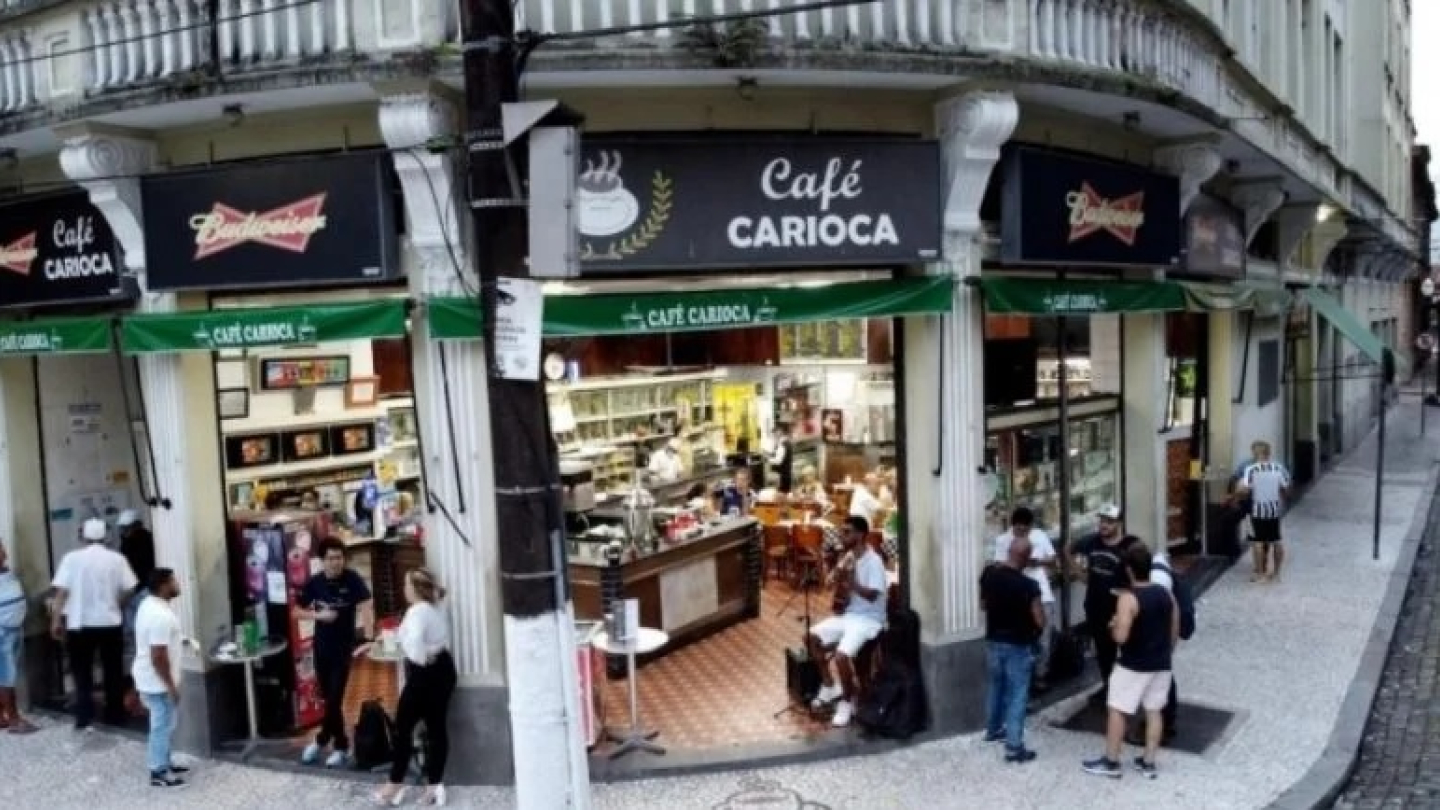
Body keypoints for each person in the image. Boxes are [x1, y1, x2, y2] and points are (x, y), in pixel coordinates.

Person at [359, 569, 455, 807]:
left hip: (426, 675)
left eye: (406, 584)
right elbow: (410, 636)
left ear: (415, 588)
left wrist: (411, 652)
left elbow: (413, 648)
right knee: (436, 728)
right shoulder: (436, 604)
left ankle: (395, 785)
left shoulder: (417, 611)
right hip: (444, 670)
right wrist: (380, 639)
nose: (403, 588)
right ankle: (435, 786)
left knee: (403, 727)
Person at [1083, 542, 1179, 780]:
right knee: (1154, 710)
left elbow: (1121, 638)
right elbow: (1174, 625)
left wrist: (1113, 625)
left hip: (1134, 663)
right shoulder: (1165, 593)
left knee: (1117, 709)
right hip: (1161, 662)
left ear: (1128, 570)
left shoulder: (1128, 599)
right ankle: (1148, 762)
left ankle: (1112, 761)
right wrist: (1167, 649)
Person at [51, 517, 138, 730]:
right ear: (106, 537)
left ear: (83, 536)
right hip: (110, 621)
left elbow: (61, 592)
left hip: (79, 623)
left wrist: (55, 620)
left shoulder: (71, 558)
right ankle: (115, 714)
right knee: (113, 670)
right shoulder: (117, 559)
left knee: (82, 671)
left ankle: (84, 715)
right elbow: (130, 587)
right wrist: (118, 603)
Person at [297, 537, 374, 768]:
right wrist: (318, 616)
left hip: (343, 649)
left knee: (334, 698)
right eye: (330, 558)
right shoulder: (315, 583)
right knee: (328, 699)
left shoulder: (352, 579)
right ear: (322, 561)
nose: (335, 563)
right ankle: (335, 742)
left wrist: (369, 638)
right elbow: (295, 611)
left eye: (339, 558)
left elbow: (366, 606)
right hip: (321, 648)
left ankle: (328, 742)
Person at [805, 516, 888, 728]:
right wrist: (828, 568)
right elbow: (829, 585)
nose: (843, 536)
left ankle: (847, 701)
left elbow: (872, 596)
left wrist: (851, 584)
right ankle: (829, 685)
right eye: (842, 532)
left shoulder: (874, 561)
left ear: (860, 535)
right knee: (810, 637)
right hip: (849, 616)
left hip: (869, 619)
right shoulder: (848, 556)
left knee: (842, 657)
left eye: (847, 532)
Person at [980, 534, 1045, 763]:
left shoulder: (989, 575)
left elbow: (983, 605)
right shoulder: (1029, 585)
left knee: (995, 686)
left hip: (993, 640)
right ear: (1027, 558)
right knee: (1018, 693)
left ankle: (993, 729)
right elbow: (1039, 620)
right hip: (1018, 644)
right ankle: (1014, 747)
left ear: (1008, 551)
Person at [1068, 504, 1139, 706]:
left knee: (1128, 649)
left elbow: (1142, 572)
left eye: (1109, 522)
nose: (1104, 525)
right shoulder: (1091, 541)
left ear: (1119, 523)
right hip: (1096, 606)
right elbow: (1069, 550)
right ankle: (1109, 686)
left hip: (1122, 609)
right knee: (1104, 651)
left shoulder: (1131, 545)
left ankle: (1130, 689)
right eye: (1102, 521)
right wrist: (1080, 574)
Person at [132, 568, 189, 789]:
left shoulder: (148, 605)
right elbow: (158, 656)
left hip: (151, 678)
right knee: (161, 725)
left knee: (165, 723)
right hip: (157, 682)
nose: (177, 583)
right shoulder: (160, 616)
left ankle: (165, 762)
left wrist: (181, 640)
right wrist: (171, 686)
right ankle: (158, 771)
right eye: (173, 580)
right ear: (164, 585)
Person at [992, 507, 1058, 689]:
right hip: (1016, 596)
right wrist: (1016, 561)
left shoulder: (1040, 536)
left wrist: (1038, 562)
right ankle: (1023, 680)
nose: (1022, 532)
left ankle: (1040, 675)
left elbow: (1053, 560)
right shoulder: (1002, 540)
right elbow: (997, 565)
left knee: (1044, 639)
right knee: (1021, 641)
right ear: (1013, 525)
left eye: (1026, 529)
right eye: (1019, 529)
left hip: (1042, 593)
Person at [1126, 548, 1180, 747]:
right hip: (1160, 647)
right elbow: (1175, 615)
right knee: (1163, 680)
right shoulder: (1161, 579)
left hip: (1153, 646)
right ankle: (1164, 726)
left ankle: (1156, 726)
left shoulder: (1154, 586)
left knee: (1153, 689)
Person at [1237, 441, 1292, 583]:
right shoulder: (1278, 468)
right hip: (1274, 510)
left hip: (1257, 510)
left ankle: (1260, 573)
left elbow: (1244, 489)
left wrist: (1239, 493)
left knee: (1258, 542)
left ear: (1256, 453)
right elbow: (1286, 488)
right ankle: (1277, 574)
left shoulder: (1251, 469)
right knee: (1276, 541)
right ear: (1269, 452)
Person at [0, 540, 35, 733]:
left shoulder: (7, 572)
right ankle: (14, 718)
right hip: (2, 632)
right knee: (6, 677)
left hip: (14, 629)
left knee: (4, 675)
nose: (3, 552)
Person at [118, 510, 154, 633]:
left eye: (127, 528)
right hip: (133, 590)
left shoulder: (146, 541)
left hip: (143, 589)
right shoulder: (126, 543)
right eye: (123, 529)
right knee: (133, 627)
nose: (125, 532)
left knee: (141, 627)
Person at [769, 426, 794, 493]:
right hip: (786, 475)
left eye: (773, 436)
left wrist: (768, 459)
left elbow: (778, 461)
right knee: (785, 494)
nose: (773, 438)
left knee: (781, 495)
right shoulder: (786, 443)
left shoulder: (782, 445)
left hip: (782, 477)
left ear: (778, 433)